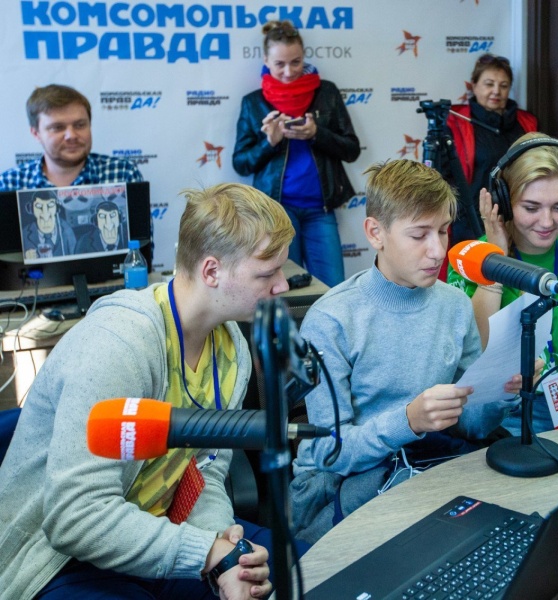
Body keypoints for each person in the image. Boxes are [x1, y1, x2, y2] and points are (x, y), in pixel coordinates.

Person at [0, 183, 296, 599]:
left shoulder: (231, 348)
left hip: (159, 531)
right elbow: (74, 518)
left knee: (302, 566)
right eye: (267, 274)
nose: (283, 286)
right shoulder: (119, 343)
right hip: (60, 559)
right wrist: (206, 553)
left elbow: (205, 471)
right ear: (212, 272)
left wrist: (226, 552)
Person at [290, 159, 521, 545]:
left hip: (427, 466)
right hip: (341, 486)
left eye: (443, 231)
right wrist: (409, 421)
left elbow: (472, 426)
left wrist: (502, 392)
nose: (437, 250)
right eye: (419, 235)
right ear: (375, 233)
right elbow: (332, 452)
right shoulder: (332, 319)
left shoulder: (454, 305)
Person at [447, 133, 558, 435]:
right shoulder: (472, 257)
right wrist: (494, 262)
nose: (546, 222)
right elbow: (474, 353)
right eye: (531, 208)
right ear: (504, 203)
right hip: (500, 412)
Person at [233, 19, 360, 288]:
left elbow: (352, 149)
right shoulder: (253, 102)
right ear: (266, 60)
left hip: (320, 210)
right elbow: (240, 163)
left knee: (333, 289)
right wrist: (270, 142)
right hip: (276, 211)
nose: (289, 71)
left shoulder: (326, 92)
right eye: (279, 64)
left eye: (296, 62)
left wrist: (317, 133)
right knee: (283, 291)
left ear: (304, 57)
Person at [445, 53, 538, 246]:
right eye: (489, 84)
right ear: (474, 85)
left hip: (518, 220)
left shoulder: (527, 122)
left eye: (503, 86)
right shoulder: (455, 123)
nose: (496, 91)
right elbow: (443, 177)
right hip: (471, 222)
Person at [0, 84, 143, 191]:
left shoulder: (123, 173)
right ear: (36, 134)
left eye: (80, 125)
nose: (72, 136)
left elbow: (139, 224)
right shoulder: (11, 183)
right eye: (58, 127)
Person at [21, 192, 77, 259]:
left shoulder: (67, 231)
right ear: (31, 209)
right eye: (39, 206)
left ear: (57, 208)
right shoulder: (24, 234)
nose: (45, 215)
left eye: (50, 205)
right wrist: (24, 256)